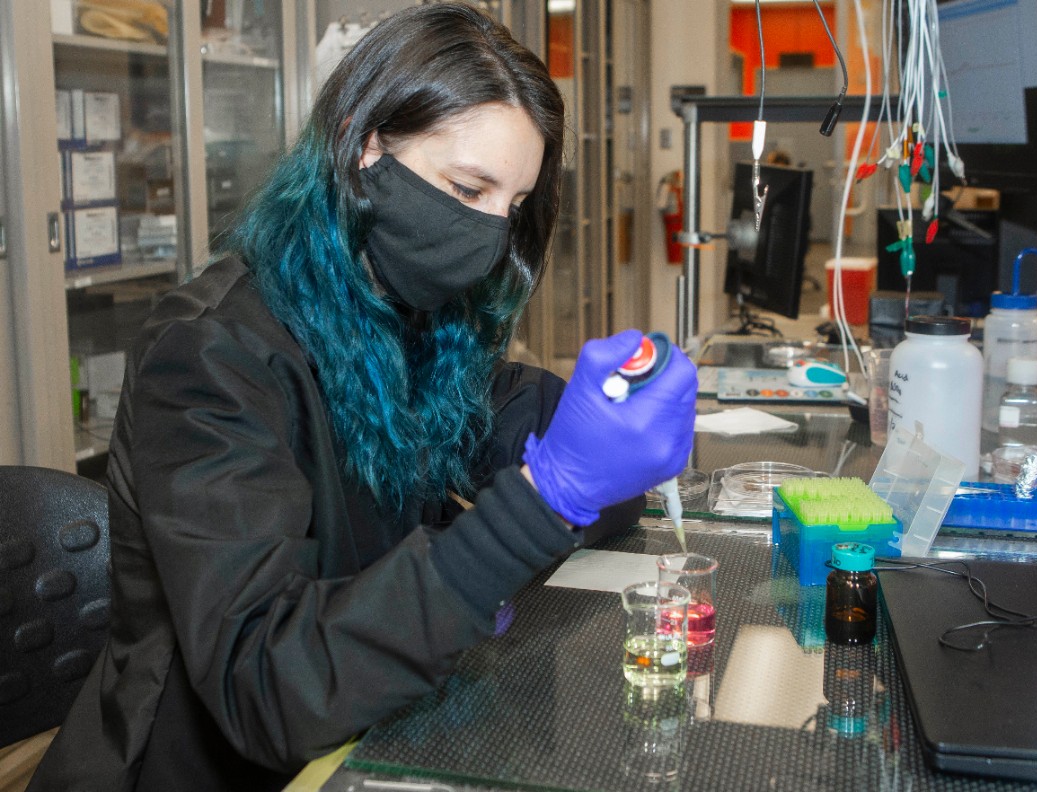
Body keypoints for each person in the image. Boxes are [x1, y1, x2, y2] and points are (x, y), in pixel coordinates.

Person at [29, 4, 696, 791]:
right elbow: (269, 688)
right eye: (468, 187)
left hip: (372, 731)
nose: (490, 237)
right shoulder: (211, 357)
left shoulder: (415, 313)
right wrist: (547, 498)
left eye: (512, 206)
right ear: (364, 145)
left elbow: (525, 428)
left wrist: (613, 411)